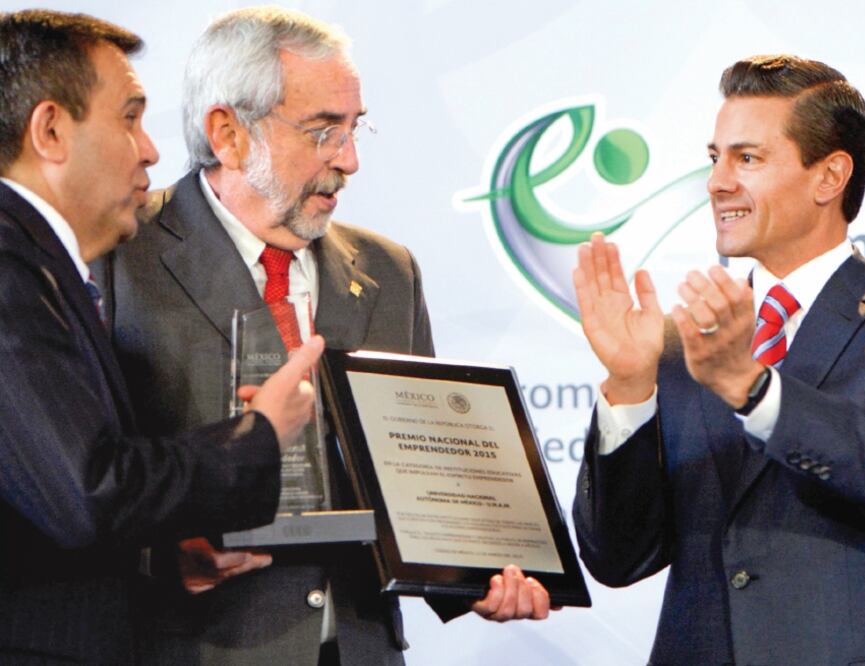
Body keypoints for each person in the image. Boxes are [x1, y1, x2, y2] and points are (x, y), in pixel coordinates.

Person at [95, 7, 549, 665]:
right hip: (199, 646)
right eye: (323, 131)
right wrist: (158, 555)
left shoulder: (389, 271)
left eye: (354, 128)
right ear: (228, 133)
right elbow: (78, 481)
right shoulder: (119, 256)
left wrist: (476, 576)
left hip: (360, 646)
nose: (351, 160)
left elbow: (416, 475)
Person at [572, 54, 865, 665]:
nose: (716, 183)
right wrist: (631, 385)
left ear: (829, 177)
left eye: (747, 158)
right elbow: (617, 558)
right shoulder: (680, 341)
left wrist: (751, 387)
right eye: (714, 158)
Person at [0, 10, 325, 664]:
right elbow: (91, 494)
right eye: (128, 117)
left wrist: (165, 550)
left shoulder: (40, 266)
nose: (149, 149)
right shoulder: (9, 266)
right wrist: (260, 432)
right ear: (52, 130)